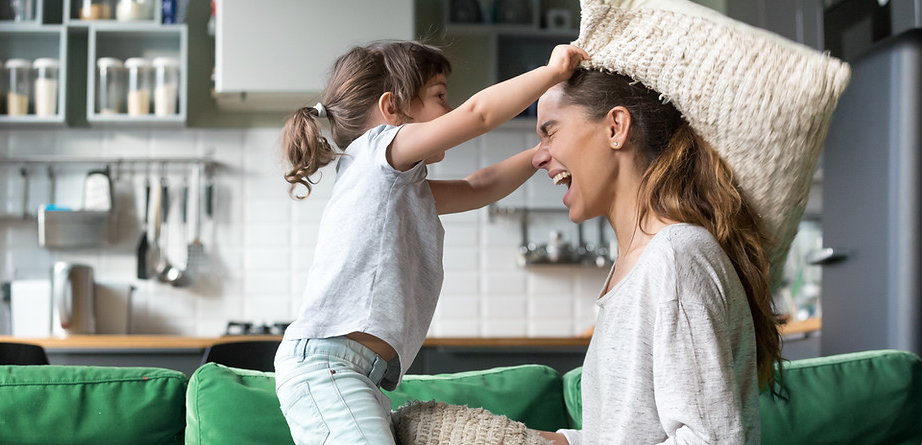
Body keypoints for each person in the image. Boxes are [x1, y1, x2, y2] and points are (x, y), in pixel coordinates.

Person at [274, 40, 589, 445]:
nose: (449, 109)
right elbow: (478, 114)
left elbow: (479, 186)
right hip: (329, 368)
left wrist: (543, 151)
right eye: (440, 96)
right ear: (391, 110)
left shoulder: (400, 187)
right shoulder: (376, 152)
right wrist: (552, 73)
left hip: (352, 372)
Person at [531, 69, 783, 444]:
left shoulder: (676, 257)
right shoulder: (640, 264)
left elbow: (708, 440)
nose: (538, 157)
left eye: (550, 132)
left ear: (616, 126)